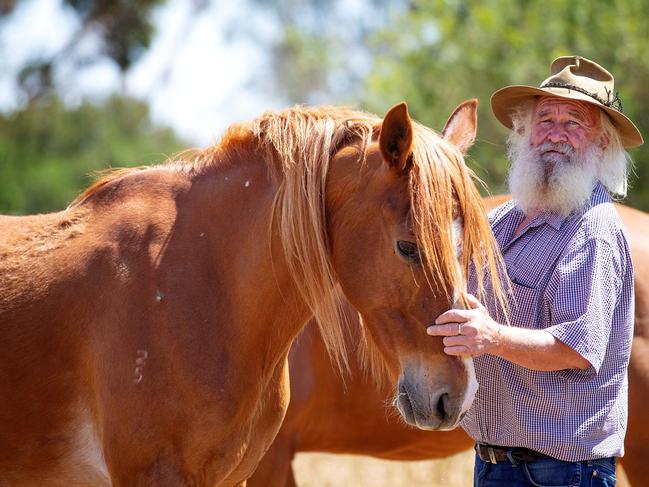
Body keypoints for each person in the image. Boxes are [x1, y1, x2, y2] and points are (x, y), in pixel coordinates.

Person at [427, 55, 643, 486]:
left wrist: (491, 336)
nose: (555, 135)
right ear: (524, 132)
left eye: (574, 123)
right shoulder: (504, 219)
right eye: (545, 119)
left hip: (561, 473)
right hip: (495, 463)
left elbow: (576, 349)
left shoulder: (592, 231)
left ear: (602, 144)